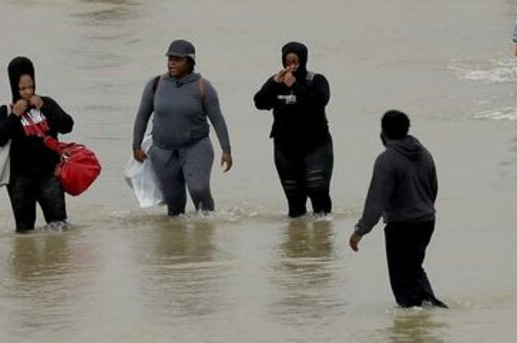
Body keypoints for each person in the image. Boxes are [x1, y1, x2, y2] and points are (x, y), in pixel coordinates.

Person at [349, 110, 447, 309]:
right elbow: (433, 187)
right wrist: (423, 208)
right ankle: (429, 313)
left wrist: (360, 231)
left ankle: (416, 321)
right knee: (414, 269)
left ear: (383, 132)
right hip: (426, 221)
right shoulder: (424, 153)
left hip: (402, 226)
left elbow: (375, 201)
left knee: (402, 280)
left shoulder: (387, 159)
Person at [132, 40, 233, 216]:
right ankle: (178, 242)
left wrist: (226, 150)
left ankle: (206, 227)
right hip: (162, 150)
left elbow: (217, 119)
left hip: (196, 147)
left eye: (178, 59)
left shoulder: (203, 87)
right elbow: (142, 116)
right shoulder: (156, 85)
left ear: (190, 61)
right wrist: (136, 145)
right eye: (170, 58)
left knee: (198, 190)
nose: (172, 63)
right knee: (174, 202)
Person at [0, 57, 74, 232]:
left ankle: (59, 261)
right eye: (23, 88)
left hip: (50, 176)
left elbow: (67, 125)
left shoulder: (46, 103)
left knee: (58, 226)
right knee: (25, 230)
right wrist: (14, 116)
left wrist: (44, 107)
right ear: (14, 86)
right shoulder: (6, 110)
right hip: (20, 180)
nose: (28, 92)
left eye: (31, 86)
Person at [253, 42, 334, 217]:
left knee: (318, 193)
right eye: (288, 61)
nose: (291, 65)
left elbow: (319, 102)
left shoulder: (316, 80)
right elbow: (259, 102)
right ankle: (298, 241)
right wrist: (274, 83)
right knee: (295, 201)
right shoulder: (276, 81)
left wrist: (295, 85)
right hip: (285, 146)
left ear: (303, 60)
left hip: (316, 144)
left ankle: (323, 239)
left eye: (295, 61)